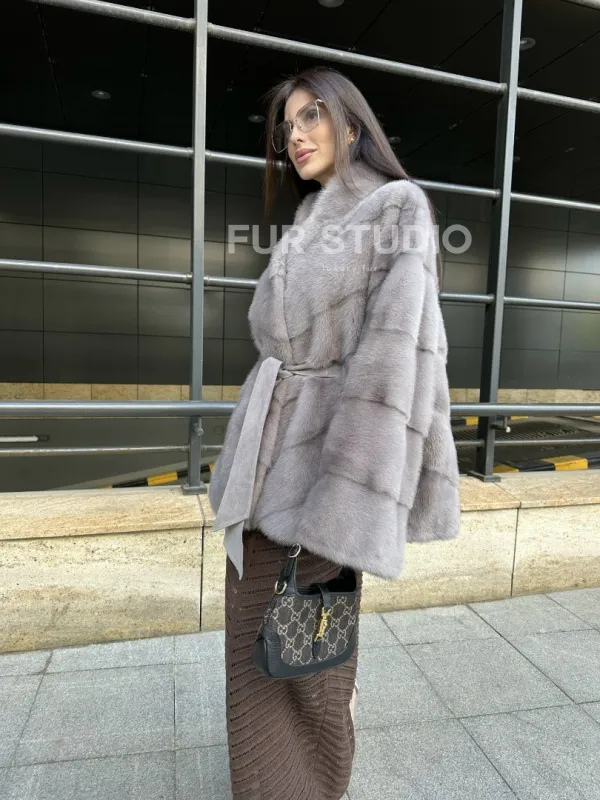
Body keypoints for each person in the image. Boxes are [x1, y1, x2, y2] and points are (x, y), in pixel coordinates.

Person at [208, 65, 461, 800]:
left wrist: (342, 511)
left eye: (312, 115)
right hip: (267, 470)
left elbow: (392, 368)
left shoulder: (396, 208)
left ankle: (305, 782)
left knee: (298, 655)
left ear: (353, 124)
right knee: (261, 646)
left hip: (323, 482)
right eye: (287, 125)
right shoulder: (309, 220)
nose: (295, 135)